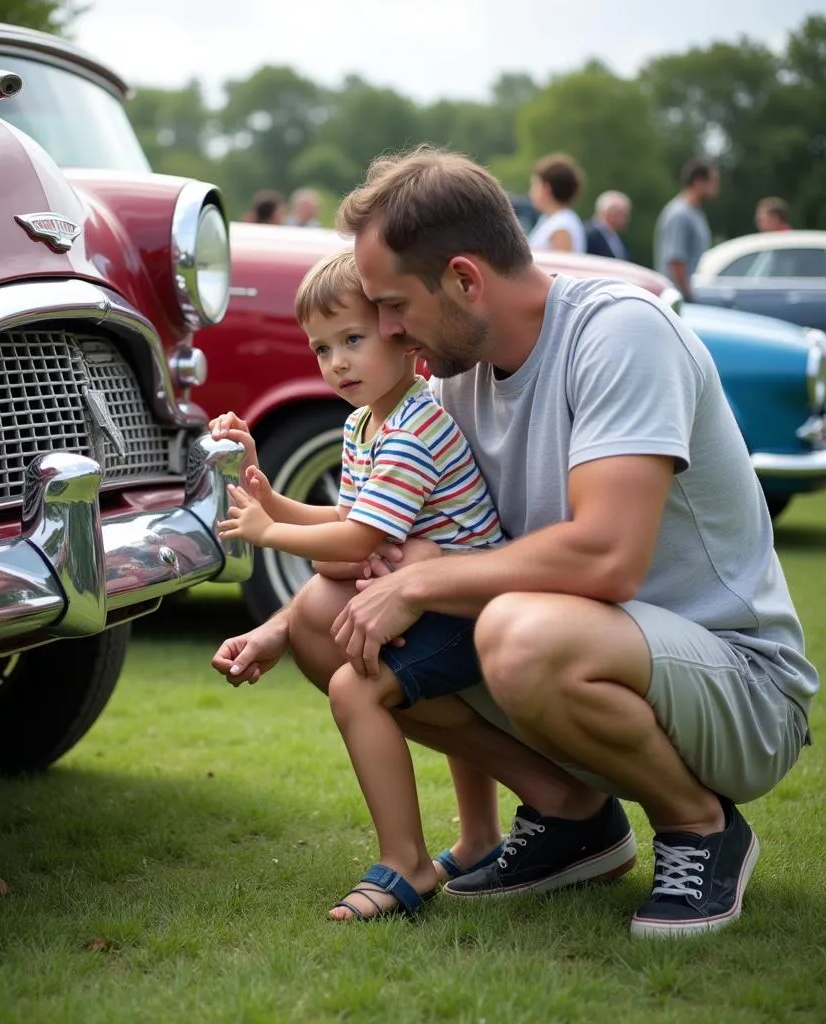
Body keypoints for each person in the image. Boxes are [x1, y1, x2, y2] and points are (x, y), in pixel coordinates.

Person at [213, 146, 818, 939]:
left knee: (512, 630)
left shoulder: (619, 335)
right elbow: (379, 541)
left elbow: (607, 557)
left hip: (739, 687)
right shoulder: (454, 377)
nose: (385, 328)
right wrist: (283, 621)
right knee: (332, 618)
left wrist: (432, 578)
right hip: (584, 658)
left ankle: (700, 827)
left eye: (394, 306)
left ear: (465, 280)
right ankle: (572, 819)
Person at [211, 249, 506, 920]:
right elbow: (352, 518)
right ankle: (482, 838)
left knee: (356, 688)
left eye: (353, 339)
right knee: (348, 640)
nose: (337, 362)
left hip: (472, 608)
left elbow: (356, 543)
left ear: (401, 338)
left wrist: (265, 532)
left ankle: (406, 862)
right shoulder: (363, 422)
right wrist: (264, 489)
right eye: (321, 348)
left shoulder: (414, 427)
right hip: (432, 598)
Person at [653, 158, 719, 300]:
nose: (716, 188)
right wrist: (688, 295)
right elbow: (675, 261)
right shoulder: (680, 214)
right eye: (713, 182)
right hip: (677, 299)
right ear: (698, 182)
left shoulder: (695, 213)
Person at [527, 153, 587, 253]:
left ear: (546, 189)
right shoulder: (549, 219)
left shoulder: (562, 226)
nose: (530, 192)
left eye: (535, 185)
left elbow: (562, 266)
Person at [585, 190, 632, 261]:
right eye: (623, 214)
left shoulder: (616, 237)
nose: (627, 218)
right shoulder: (588, 234)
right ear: (608, 213)